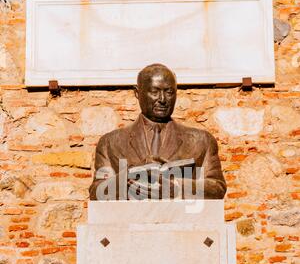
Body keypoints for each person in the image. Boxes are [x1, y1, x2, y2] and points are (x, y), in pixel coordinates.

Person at [89, 63, 226, 200]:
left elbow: (217, 188)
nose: (162, 99)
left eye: (169, 92)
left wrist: (176, 187)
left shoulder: (201, 141)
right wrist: (127, 179)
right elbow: (96, 192)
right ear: (137, 93)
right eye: (154, 92)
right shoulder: (110, 143)